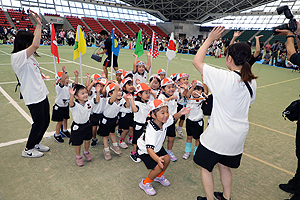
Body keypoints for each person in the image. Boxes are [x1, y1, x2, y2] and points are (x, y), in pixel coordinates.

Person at [192, 26, 257, 200]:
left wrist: (209, 39)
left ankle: (210, 199)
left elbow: (197, 62)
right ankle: (226, 198)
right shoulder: (251, 81)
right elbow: (249, 104)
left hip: (219, 134)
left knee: (206, 168)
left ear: (229, 58)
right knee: (224, 166)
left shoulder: (223, 77)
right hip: (238, 135)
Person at [11, 10, 50, 158]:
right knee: (38, 123)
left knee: (45, 121)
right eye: (30, 41)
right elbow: (36, 45)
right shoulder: (17, 57)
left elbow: (33, 71)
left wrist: (42, 76)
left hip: (41, 93)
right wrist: (39, 25)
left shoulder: (31, 58)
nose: (33, 43)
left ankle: (36, 143)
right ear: (25, 43)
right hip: (33, 96)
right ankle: (28, 149)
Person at [137, 99, 190, 196]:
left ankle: (159, 176)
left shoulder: (163, 121)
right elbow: (149, 149)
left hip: (157, 147)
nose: (166, 115)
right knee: (158, 167)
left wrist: (180, 113)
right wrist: (157, 159)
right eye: (162, 112)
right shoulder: (151, 130)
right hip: (146, 151)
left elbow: (173, 118)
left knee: (167, 159)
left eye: (167, 111)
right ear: (153, 115)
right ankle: (145, 183)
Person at [68, 84, 101, 166]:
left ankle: (86, 152)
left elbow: (97, 100)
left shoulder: (89, 102)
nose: (85, 94)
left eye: (86, 92)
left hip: (87, 124)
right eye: (82, 93)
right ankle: (78, 156)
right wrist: (71, 96)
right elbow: (71, 103)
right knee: (78, 143)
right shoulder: (75, 105)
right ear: (76, 96)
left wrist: (98, 92)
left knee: (87, 140)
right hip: (78, 127)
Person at [52, 66, 78, 143]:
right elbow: (62, 81)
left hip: (65, 106)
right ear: (59, 80)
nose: (67, 79)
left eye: (68, 78)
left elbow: (75, 84)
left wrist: (76, 76)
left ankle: (64, 130)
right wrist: (63, 73)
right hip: (59, 107)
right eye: (65, 78)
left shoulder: (68, 86)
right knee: (59, 122)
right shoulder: (59, 87)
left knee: (65, 119)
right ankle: (57, 134)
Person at [183, 80, 205, 160]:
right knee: (189, 137)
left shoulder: (202, 98)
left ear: (202, 91)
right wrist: (192, 87)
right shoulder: (189, 98)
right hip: (189, 121)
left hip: (198, 122)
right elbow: (188, 94)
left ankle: (196, 152)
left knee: (198, 139)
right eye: (194, 89)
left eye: (198, 89)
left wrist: (204, 80)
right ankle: (187, 151)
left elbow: (206, 90)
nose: (196, 91)